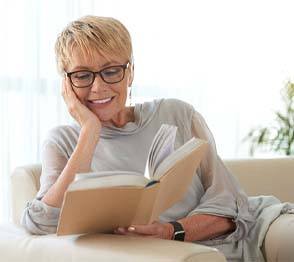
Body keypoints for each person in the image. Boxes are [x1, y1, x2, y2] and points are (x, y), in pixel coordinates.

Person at [21, 15, 294, 261]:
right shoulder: (62, 141)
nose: (98, 86)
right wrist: (90, 131)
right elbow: (40, 223)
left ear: (130, 72)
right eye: (82, 75)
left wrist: (169, 231)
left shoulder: (177, 113)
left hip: (245, 234)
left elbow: (232, 204)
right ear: (66, 84)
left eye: (111, 71)